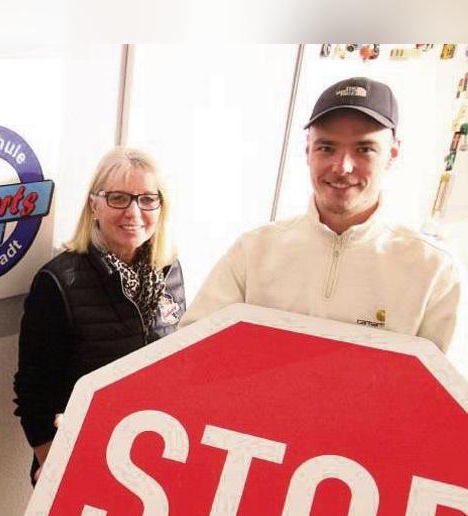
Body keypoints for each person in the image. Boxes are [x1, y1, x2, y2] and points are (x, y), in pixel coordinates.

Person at [13, 146, 186, 516]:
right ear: (94, 204)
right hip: (73, 448)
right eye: (118, 197)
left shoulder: (171, 269)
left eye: (146, 199)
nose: (132, 211)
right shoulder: (58, 280)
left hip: (148, 454)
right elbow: (32, 388)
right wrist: (47, 456)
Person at [180, 76, 462, 352]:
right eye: (327, 148)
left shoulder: (432, 271)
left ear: (393, 153)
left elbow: (438, 388)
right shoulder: (252, 252)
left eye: (364, 149)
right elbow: (188, 349)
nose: (342, 167)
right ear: (308, 151)